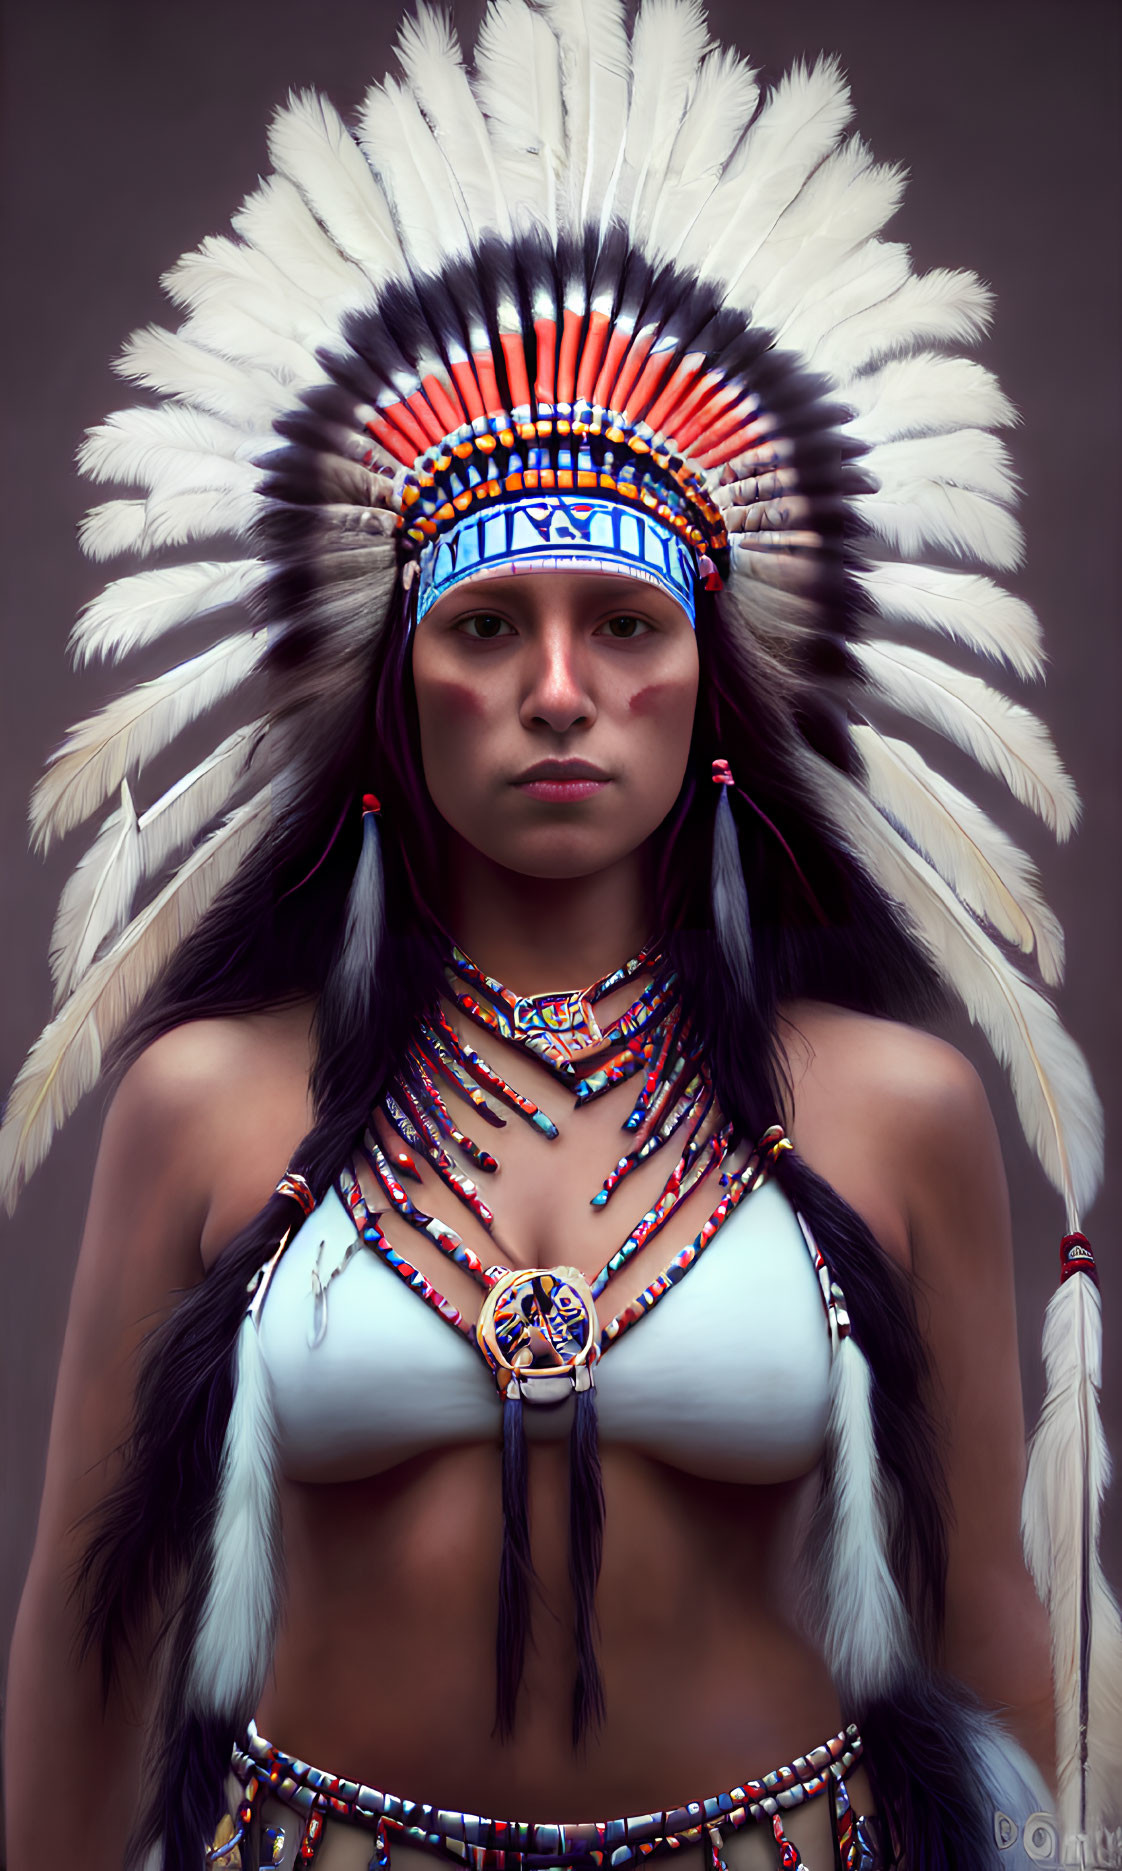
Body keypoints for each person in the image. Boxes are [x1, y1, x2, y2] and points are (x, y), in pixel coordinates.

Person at [3, 4, 1120, 1867]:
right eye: (483, 630)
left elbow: (983, 1620)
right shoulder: (206, 1106)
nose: (553, 692)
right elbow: (83, 1626)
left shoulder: (889, 1108)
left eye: (620, 626)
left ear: (703, 682)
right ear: (399, 687)